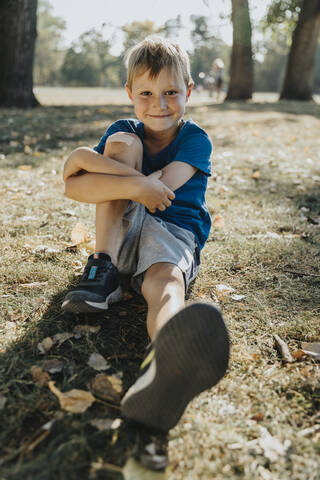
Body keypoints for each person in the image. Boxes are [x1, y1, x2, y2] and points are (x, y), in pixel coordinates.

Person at [62, 36, 230, 432]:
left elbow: (160, 194)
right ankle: (101, 269)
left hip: (172, 229)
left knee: (166, 282)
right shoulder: (123, 129)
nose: (160, 104)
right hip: (118, 232)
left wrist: (85, 162)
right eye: (147, 93)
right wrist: (127, 183)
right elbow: (78, 190)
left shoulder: (195, 139)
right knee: (123, 143)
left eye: (171, 92)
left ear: (188, 91)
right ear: (129, 93)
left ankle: (167, 360)